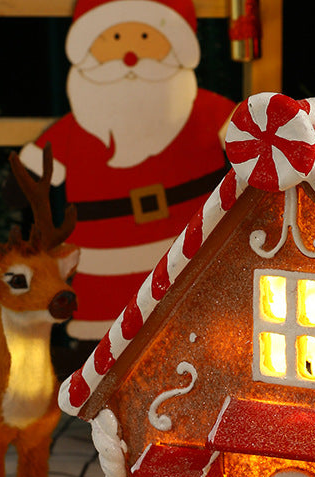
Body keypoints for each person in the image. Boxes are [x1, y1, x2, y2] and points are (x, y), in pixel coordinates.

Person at [20, 0, 236, 340]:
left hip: (192, 254)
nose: (131, 56)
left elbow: (249, 138)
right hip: (102, 276)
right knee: (103, 348)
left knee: (195, 329)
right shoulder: (75, 132)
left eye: (147, 37)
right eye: (116, 37)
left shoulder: (204, 111)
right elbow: (26, 178)